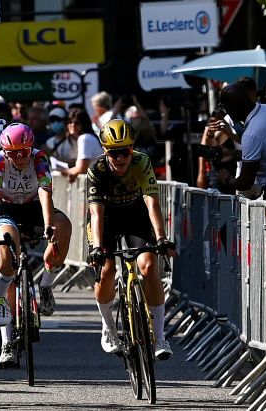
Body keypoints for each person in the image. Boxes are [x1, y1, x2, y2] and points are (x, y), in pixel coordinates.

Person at [0, 122, 72, 366]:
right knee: (10, 268)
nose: (19, 157)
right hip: (9, 209)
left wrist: (48, 225)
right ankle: (7, 342)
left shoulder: (39, 158)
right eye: (14, 153)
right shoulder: (0, 159)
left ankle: (45, 284)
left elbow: (45, 192)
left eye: (24, 152)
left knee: (64, 225)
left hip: (34, 207)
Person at [88, 119, 174, 360]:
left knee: (148, 266)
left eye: (125, 151)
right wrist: (97, 247)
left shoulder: (141, 161)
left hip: (136, 214)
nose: (120, 158)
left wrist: (161, 237)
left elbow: (152, 202)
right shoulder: (97, 170)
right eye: (114, 153)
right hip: (106, 218)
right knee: (106, 270)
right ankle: (108, 327)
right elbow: (96, 212)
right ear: (105, 152)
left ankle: (159, 337)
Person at [46, 107, 101, 183]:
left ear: (84, 124)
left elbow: (81, 168)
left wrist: (64, 172)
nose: (73, 125)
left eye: (77, 123)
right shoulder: (85, 138)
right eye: (70, 122)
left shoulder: (85, 138)